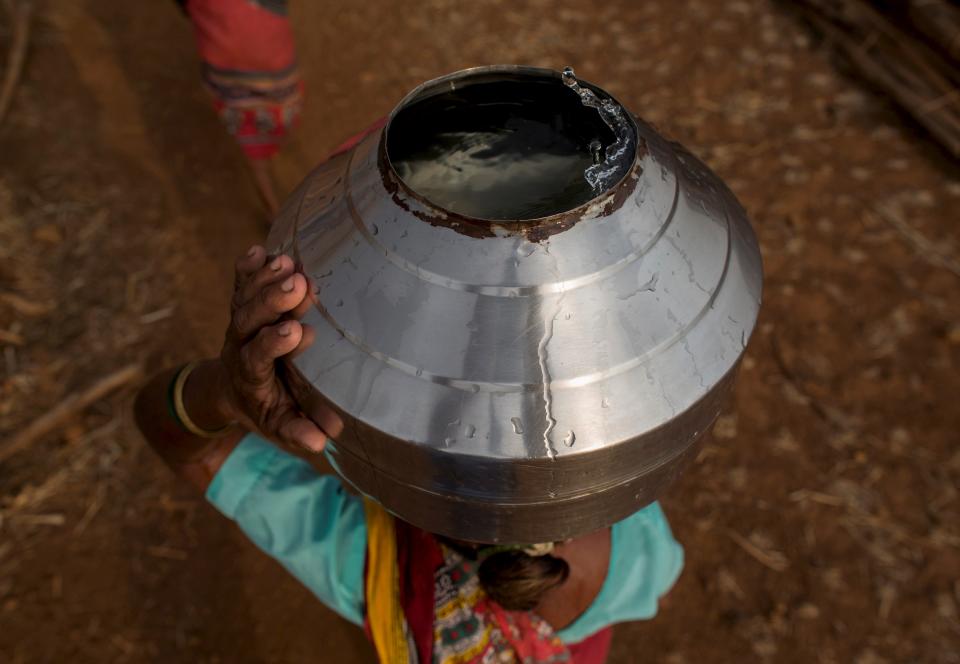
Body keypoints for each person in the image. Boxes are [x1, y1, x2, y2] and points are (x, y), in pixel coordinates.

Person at [134, 246, 685, 663]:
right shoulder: (629, 518)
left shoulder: (374, 569)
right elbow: (659, 581)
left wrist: (226, 393)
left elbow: (185, 445)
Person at [177, 0, 304, 217]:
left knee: (252, 147)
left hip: (231, 74)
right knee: (280, 119)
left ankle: (273, 213)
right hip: (278, 70)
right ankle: (277, 142)